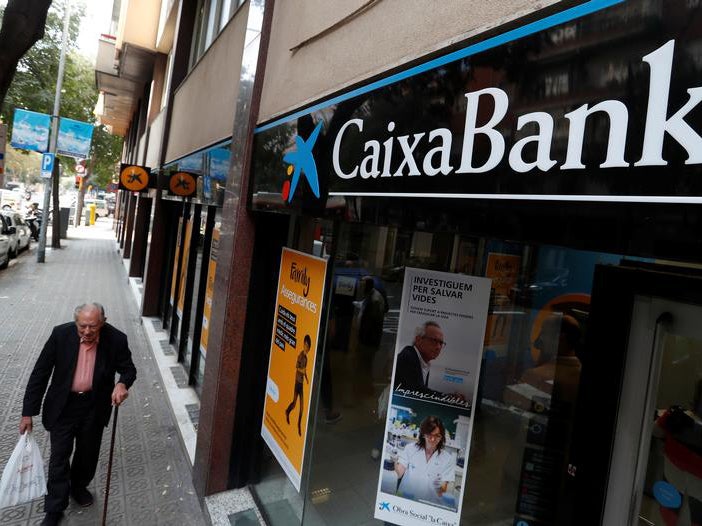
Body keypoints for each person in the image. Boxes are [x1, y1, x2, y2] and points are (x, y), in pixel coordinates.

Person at [20, 303, 137, 526]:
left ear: (103, 322)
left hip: (94, 405)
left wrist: (122, 384)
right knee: (58, 457)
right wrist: (28, 413)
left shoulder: (116, 339)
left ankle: (78, 486)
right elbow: (40, 373)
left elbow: (129, 368)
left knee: (87, 454)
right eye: (82, 326)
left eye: (93, 326)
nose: (87, 331)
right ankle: (55, 506)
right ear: (75, 322)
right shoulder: (60, 334)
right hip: (63, 406)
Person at [394, 416, 455, 505]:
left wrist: (439, 487)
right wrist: (394, 462)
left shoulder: (447, 459)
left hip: (428, 504)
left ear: (441, 437)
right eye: (430, 435)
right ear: (423, 434)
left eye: (437, 436)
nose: (433, 439)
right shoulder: (410, 449)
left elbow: (442, 489)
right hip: (406, 499)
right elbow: (399, 473)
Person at [393, 321, 447, 395]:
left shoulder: (423, 362)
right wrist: (449, 398)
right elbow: (418, 392)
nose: (438, 347)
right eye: (434, 340)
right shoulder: (407, 357)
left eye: (441, 343)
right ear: (418, 340)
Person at [285, 334, 312, 436]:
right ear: (303, 344)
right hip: (297, 383)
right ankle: (287, 411)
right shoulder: (300, 356)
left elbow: (304, 371)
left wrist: (307, 378)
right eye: (305, 344)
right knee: (295, 403)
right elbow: (297, 368)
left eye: (308, 345)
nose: (307, 347)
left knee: (302, 408)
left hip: (301, 384)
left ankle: (299, 425)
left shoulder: (306, 357)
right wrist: (302, 371)